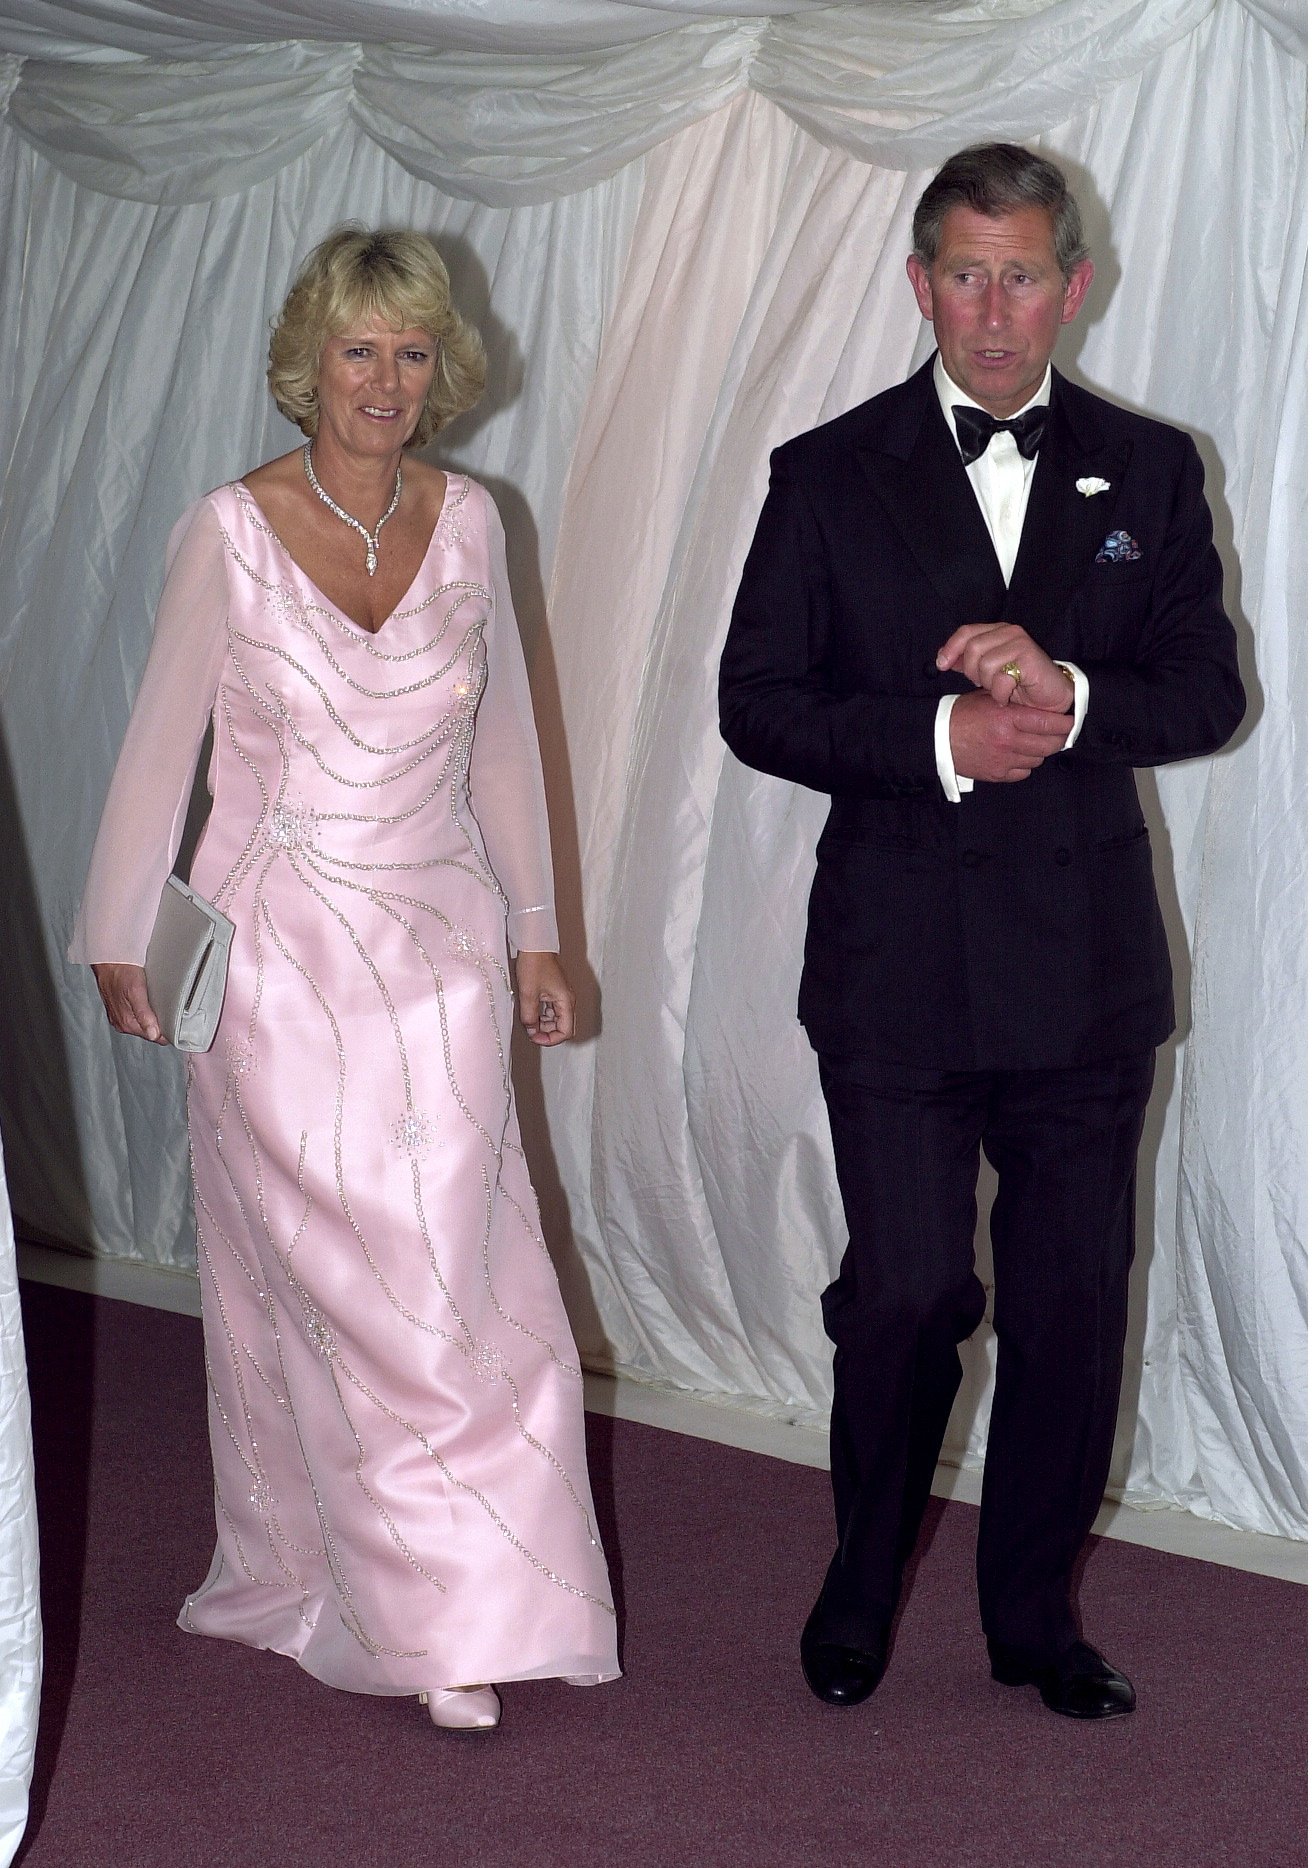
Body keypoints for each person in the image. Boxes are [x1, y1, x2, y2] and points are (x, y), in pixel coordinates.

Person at [719, 144, 1245, 1720]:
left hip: (1085, 979)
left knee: (1074, 1307)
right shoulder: (826, 471)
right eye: (967, 272)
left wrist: (1072, 694)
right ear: (919, 281)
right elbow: (757, 706)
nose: (997, 310)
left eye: (1025, 274)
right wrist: (945, 740)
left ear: (1074, 283)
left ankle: (1035, 1622)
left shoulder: (1149, 470)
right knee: (903, 1296)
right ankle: (859, 1588)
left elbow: (1206, 694)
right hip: (894, 975)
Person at [71, 228, 618, 1731]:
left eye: (413, 351)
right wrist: (121, 933)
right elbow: (161, 744)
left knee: (465, 1284)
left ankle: (338, 1573)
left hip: (440, 960)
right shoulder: (230, 530)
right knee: (348, 1291)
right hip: (272, 964)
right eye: (359, 349)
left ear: (446, 369)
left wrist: (535, 932)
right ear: (309, 358)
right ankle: (434, 1620)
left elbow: (503, 746)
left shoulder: (474, 520)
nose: (385, 379)